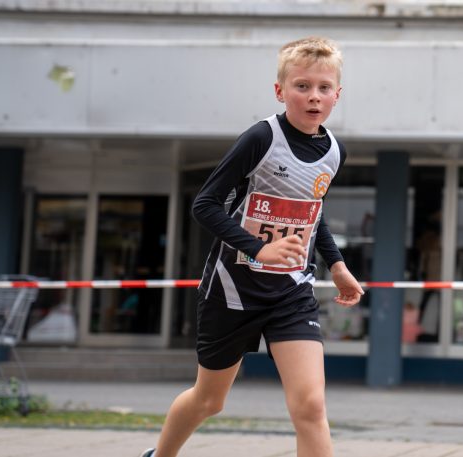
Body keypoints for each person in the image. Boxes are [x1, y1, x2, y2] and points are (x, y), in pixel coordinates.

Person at [140, 37, 364, 457]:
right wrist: (258, 249)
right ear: (280, 91)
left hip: (291, 291)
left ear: (337, 94)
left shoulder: (335, 152)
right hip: (233, 290)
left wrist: (336, 265)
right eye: (302, 86)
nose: (313, 97)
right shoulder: (261, 138)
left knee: (311, 406)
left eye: (323, 87)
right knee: (210, 400)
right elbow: (204, 205)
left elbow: (312, 213)